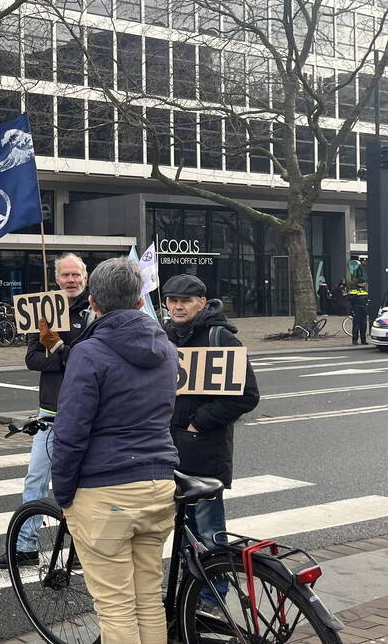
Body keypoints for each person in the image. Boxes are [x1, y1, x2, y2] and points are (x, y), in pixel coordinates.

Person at [51, 257, 180, 644]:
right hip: (158, 482)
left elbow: (71, 431)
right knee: (147, 601)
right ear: (141, 302)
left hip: (105, 488)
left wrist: (63, 493)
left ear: (93, 302)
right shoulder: (167, 348)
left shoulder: (88, 352)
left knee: (115, 607)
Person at [0, 253, 94, 569]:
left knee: (83, 484)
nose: (71, 280)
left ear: (85, 278)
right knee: (35, 479)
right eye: (65, 275)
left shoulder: (94, 314)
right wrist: (62, 356)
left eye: (76, 274)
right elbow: (32, 359)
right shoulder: (45, 313)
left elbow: (92, 360)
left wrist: (60, 349)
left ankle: (80, 550)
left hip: (85, 413)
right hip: (49, 411)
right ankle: (25, 548)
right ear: (57, 278)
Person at [162, 273, 259, 612]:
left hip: (205, 450)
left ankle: (212, 597)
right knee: (184, 531)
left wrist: (198, 422)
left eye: (184, 301)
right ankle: (191, 594)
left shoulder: (221, 338)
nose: (177, 306)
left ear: (201, 303)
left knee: (209, 531)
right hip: (172, 448)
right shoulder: (166, 336)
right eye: (172, 300)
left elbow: (247, 396)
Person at [348, 278, 370, 345]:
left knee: (364, 326)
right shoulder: (354, 289)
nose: (365, 284)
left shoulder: (364, 290)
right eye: (364, 283)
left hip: (364, 309)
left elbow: (366, 298)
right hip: (357, 309)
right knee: (356, 325)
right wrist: (357, 296)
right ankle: (355, 340)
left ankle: (363, 340)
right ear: (360, 283)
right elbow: (350, 298)